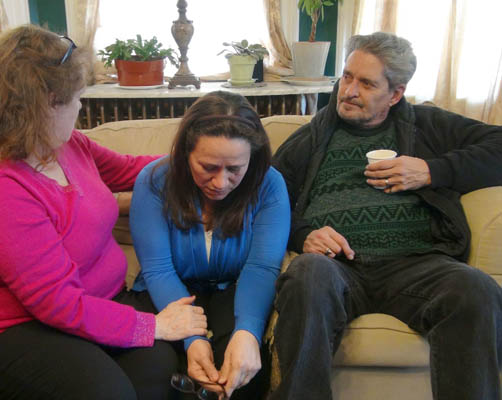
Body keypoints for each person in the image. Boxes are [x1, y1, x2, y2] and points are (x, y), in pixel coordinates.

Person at [0, 25, 208, 400]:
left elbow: (131, 169)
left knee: (158, 370)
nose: (81, 107)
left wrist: (199, 159)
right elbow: (58, 304)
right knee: (106, 392)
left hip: (98, 303)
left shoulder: (65, 143)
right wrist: (153, 325)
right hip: (13, 328)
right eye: (76, 98)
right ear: (45, 105)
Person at [271, 31, 502, 400]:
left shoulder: (426, 125)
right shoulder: (313, 137)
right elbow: (267, 198)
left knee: (476, 289)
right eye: (347, 77)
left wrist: (431, 170)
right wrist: (303, 234)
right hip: (337, 267)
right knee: (306, 274)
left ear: (395, 94)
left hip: (416, 265)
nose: (348, 91)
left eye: (366, 83)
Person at [129, 91, 291, 399]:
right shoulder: (153, 180)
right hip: (167, 290)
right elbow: (158, 269)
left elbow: (261, 267)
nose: (220, 182)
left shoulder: (270, 184)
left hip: (237, 289)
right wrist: (193, 338)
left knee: (243, 373)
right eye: (208, 167)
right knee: (158, 373)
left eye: (234, 169)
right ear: (185, 154)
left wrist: (248, 332)